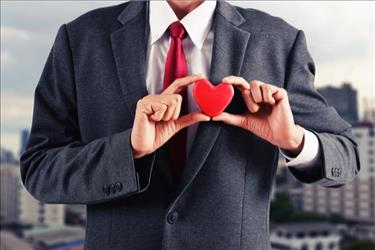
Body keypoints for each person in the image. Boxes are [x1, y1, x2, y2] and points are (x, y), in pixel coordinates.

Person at [20, 0, 360, 249]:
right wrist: (129, 151)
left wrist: (294, 141)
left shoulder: (277, 42)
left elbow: (347, 155)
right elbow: (39, 169)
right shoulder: (80, 39)